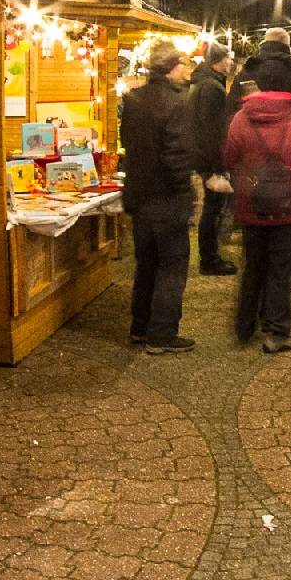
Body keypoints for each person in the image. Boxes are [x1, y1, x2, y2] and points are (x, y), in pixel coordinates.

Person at [220, 83, 291, 352]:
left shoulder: (241, 118)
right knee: (280, 270)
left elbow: (230, 157)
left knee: (252, 264)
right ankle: (277, 332)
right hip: (288, 205)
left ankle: (244, 326)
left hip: (250, 202)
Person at [234, 28, 291, 288]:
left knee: (255, 212)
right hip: (289, 152)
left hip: (254, 155)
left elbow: (232, 109)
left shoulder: (247, 73)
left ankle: (259, 274)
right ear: (288, 46)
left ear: (264, 44)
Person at [121, 41, 199, 353]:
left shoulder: (134, 99)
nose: (186, 70)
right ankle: (162, 335)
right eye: (182, 64)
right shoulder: (176, 103)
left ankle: (140, 327)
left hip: (140, 197)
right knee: (171, 267)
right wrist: (187, 195)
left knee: (146, 264)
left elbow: (129, 144)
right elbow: (177, 156)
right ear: (169, 68)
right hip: (167, 199)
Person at [188, 44, 238, 276]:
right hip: (209, 159)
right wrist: (219, 167)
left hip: (204, 156)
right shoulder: (212, 87)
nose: (231, 62)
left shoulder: (204, 82)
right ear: (221, 59)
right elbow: (213, 130)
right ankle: (209, 259)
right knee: (213, 208)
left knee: (214, 206)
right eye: (229, 58)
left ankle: (210, 255)